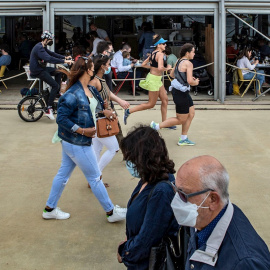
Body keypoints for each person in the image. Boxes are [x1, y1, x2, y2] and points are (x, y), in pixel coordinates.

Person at [42, 57, 127, 223]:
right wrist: (82, 131)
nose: (93, 70)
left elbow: (91, 110)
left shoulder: (90, 89)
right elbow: (62, 119)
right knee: (95, 177)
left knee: (63, 175)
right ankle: (111, 212)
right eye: (92, 68)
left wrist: (104, 112)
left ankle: (49, 209)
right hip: (77, 143)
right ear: (87, 70)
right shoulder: (73, 93)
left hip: (73, 143)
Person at [171, 155, 270, 270]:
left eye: (183, 194)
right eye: (175, 189)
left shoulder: (245, 263)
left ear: (213, 200)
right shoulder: (201, 219)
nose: (176, 200)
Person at [117, 125, 179, 269]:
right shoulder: (148, 177)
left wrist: (125, 252)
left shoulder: (161, 191)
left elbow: (148, 239)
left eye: (130, 158)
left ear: (143, 159)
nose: (128, 162)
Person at [150, 43, 199, 146]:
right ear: (188, 53)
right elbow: (190, 81)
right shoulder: (189, 64)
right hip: (181, 92)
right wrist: (196, 82)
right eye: (193, 52)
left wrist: (184, 78)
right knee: (180, 119)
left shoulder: (178, 60)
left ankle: (183, 138)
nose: (194, 54)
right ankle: (157, 126)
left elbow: (172, 75)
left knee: (191, 113)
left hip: (179, 90)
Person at [89, 55, 129, 178]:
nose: (109, 66)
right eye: (108, 63)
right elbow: (88, 101)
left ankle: (94, 178)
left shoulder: (100, 79)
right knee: (114, 148)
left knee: (97, 149)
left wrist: (120, 101)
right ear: (102, 66)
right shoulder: (94, 81)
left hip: (99, 120)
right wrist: (102, 111)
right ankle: (96, 175)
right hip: (99, 120)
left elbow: (107, 93)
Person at [123, 35, 171, 126]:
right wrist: (169, 68)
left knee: (165, 100)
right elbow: (160, 67)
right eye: (163, 43)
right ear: (158, 45)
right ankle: (129, 111)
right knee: (151, 104)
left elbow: (143, 64)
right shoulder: (160, 54)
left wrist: (153, 67)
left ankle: (165, 123)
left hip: (155, 78)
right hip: (154, 80)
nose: (165, 45)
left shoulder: (153, 53)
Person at [29, 31, 73, 120]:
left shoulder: (42, 46)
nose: (51, 41)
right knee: (55, 85)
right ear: (45, 39)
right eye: (50, 40)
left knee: (59, 72)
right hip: (38, 71)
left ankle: (56, 93)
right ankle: (49, 109)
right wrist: (65, 61)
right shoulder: (39, 48)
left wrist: (64, 57)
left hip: (41, 69)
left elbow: (52, 54)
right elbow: (49, 58)